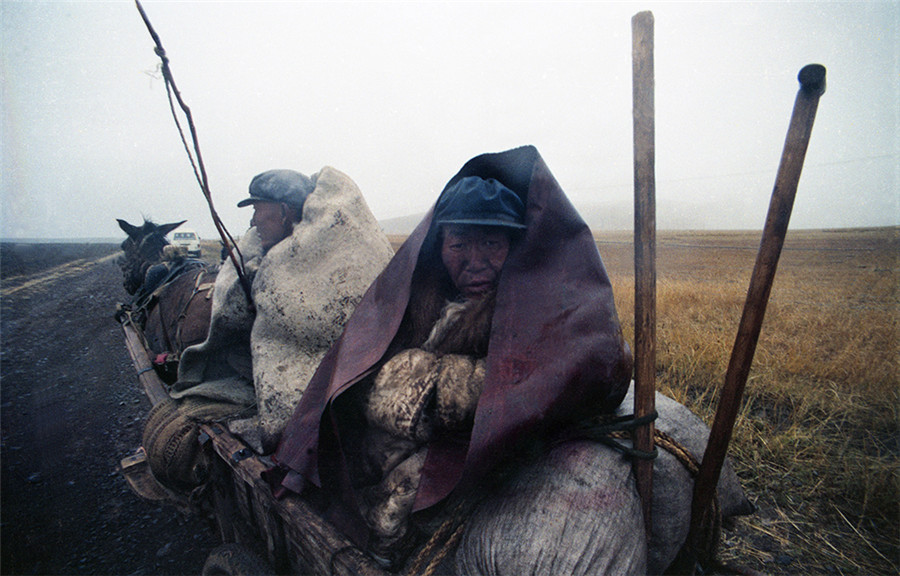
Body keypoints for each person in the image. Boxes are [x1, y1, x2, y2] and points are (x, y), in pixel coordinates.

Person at [272, 146, 634, 566]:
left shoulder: (535, 311)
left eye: (492, 243)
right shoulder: (418, 297)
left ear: (516, 246)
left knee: (400, 506)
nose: (475, 261)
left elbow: (563, 374)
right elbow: (361, 367)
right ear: (439, 245)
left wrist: (428, 379)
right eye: (459, 243)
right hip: (393, 450)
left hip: (475, 461)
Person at [143, 167, 392, 491]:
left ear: (285, 211)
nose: (254, 221)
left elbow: (307, 323)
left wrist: (264, 299)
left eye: (259, 210)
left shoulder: (324, 259)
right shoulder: (269, 259)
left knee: (174, 438)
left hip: (338, 394)